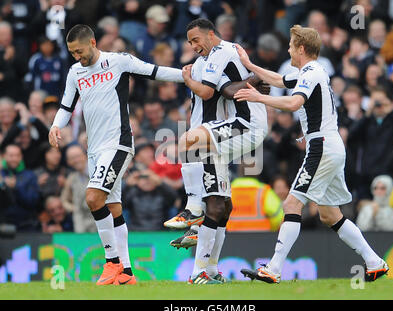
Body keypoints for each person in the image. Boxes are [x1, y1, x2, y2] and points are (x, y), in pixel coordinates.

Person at [233, 24, 389, 283]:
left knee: (292, 204)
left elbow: (294, 102)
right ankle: (374, 262)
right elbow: (279, 80)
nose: (288, 49)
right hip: (330, 145)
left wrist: (257, 98)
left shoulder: (310, 72)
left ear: (301, 49)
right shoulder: (314, 71)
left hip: (322, 147)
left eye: (291, 45)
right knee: (329, 214)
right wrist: (249, 64)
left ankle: (273, 269)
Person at [48, 24, 185, 286]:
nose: (77, 57)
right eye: (72, 53)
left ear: (93, 42)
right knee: (112, 206)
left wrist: (187, 76)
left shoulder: (118, 61)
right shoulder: (75, 72)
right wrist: (56, 125)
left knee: (92, 197)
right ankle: (127, 273)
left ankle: (111, 263)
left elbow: (155, 72)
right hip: (95, 149)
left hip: (118, 143)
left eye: (79, 51)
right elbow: (66, 105)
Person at [163, 18, 268, 284]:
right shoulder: (211, 61)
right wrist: (253, 80)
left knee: (189, 141)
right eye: (189, 42)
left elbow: (209, 93)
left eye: (196, 39)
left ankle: (193, 208)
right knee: (222, 205)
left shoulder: (222, 53)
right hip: (235, 130)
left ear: (211, 34)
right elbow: (228, 88)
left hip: (245, 125)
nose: (193, 46)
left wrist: (187, 80)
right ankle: (208, 271)